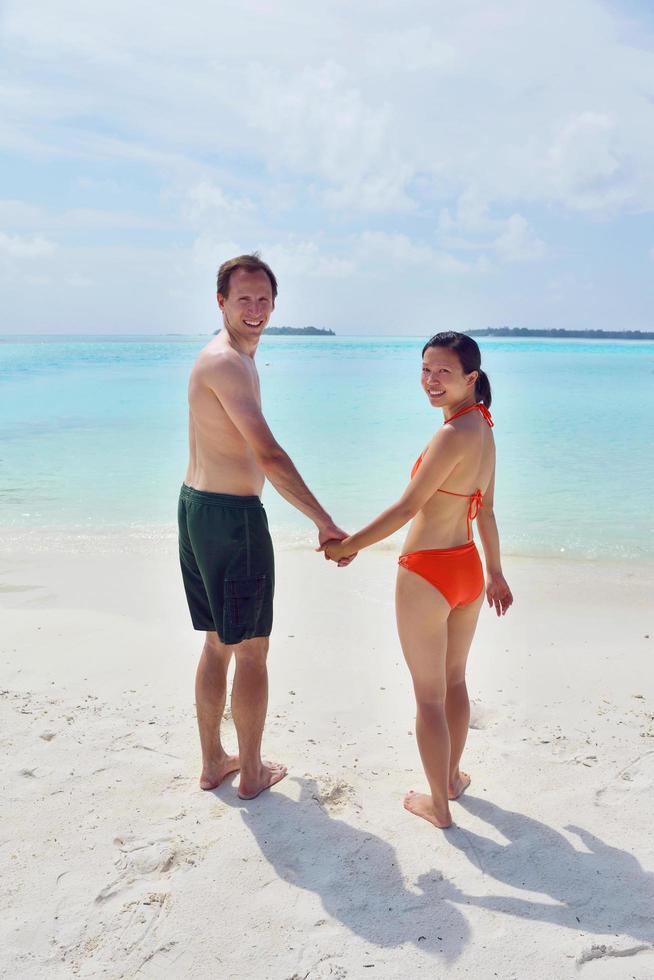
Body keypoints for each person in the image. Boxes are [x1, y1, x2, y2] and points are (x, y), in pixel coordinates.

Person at [323, 332, 513, 829]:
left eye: (444, 372)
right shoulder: (483, 427)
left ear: (470, 378)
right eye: (426, 369)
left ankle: (439, 805)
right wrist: (494, 573)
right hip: (467, 569)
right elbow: (486, 511)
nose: (431, 380)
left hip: (427, 572)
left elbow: (408, 507)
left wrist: (348, 546)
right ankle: (449, 778)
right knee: (454, 681)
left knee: (429, 696)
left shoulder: (451, 435)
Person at [178, 253, 348, 799]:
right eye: (242, 298)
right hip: (231, 520)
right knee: (251, 650)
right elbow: (269, 455)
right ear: (221, 301)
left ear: (274, 303)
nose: (254, 309)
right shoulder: (227, 361)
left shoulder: (229, 356)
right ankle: (250, 772)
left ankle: (213, 762)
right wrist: (324, 521)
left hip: (197, 507)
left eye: (262, 299)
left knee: (216, 644)